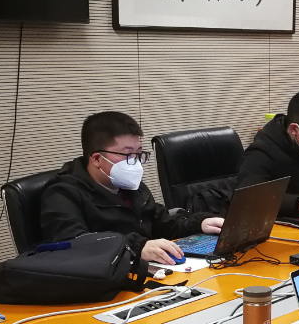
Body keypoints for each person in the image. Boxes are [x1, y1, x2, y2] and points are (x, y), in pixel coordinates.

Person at [40, 112, 224, 265]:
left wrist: (198, 223)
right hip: (103, 283)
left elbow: (164, 224)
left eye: (138, 154)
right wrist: (136, 247)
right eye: (127, 154)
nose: (135, 163)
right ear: (96, 159)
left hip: (148, 272)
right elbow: (74, 245)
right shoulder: (62, 194)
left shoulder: (131, 187)